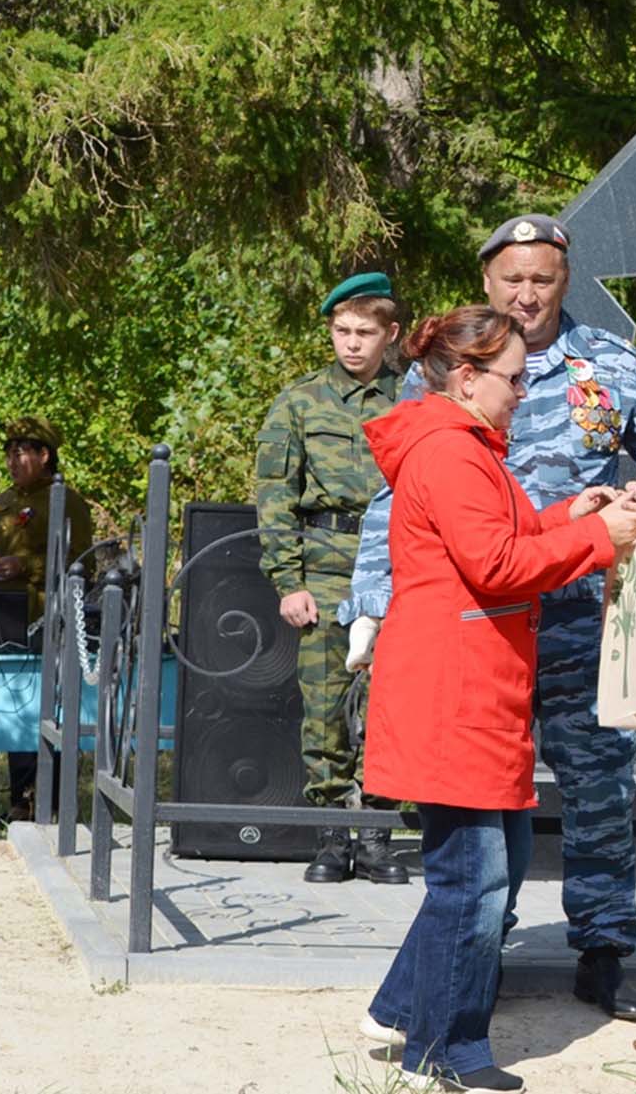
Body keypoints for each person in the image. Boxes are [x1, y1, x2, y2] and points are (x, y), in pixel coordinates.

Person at [341, 214, 636, 1020]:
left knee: (599, 787)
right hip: (480, 621)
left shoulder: (608, 364)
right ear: (488, 282)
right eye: (513, 278)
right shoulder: (454, 362)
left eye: (542, 278)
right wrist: (373, 599)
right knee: (485, 803)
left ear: (564, 279)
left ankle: (605, 948)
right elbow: (396, 491)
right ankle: (481, 948)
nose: (527, 293)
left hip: (580, 615)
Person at [357, 305, 636, 1093]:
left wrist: (571, 514)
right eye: (514, 379)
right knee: (475, 878)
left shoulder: (469, 449)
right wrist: (598, 542)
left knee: (497, 861)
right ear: (467, 378)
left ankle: (397, 1007)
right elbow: (494, 565)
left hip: (476, 690)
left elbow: (506, 541)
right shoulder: (452, 455)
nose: (525, 392)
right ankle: (446, 1048)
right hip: (456, 695)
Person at [254, 272, 406, 885]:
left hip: (395, 568)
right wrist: (288, 580)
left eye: (365, 332)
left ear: (389, 334)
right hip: (321, 565)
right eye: (341, 331)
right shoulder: (300, 401)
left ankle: (376, 836)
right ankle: (331, 839)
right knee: (322, 707)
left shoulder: (414, 400)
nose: (351, 344)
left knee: (387, 704)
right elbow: (273, 496)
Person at [0, 416, 95, 819]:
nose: (12, 460)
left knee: (38, 706)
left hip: (40, 617)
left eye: (20, 452)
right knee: (8, 704)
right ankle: (20, 800)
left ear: (44, 455)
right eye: (9, 453)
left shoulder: (64, 500)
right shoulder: (4, 499)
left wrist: (27, 566)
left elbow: (80, 562)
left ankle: (44, 800)